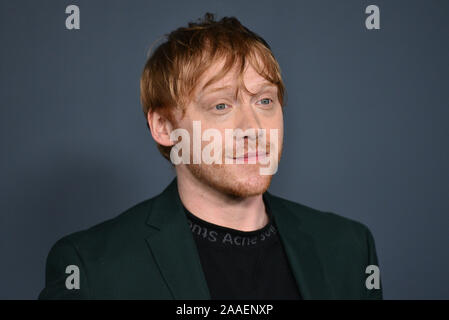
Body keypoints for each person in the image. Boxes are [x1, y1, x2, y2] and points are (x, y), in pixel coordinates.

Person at [38, 12, 382, 300]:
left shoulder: (349, 248)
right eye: (221, 105)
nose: (254, 127)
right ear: (163, 126)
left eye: (265, 100)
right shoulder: (91, 268)